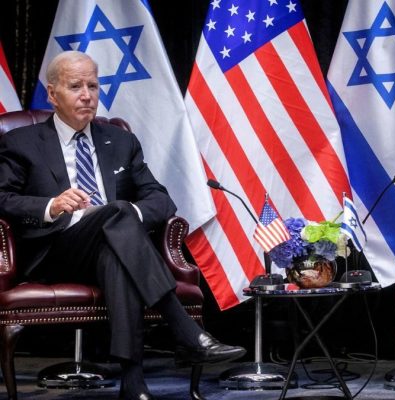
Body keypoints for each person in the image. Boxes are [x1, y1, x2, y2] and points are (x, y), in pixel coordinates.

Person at [0, 51, 246, 400]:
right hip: (54, 251)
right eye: (75, 86)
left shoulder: (120, 141)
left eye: (93, 86)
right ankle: (184, 331)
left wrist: (128, 215)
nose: (87, 95)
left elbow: (160, 199)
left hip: (114, 246)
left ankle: (133, 383)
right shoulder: (21, 142)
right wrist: (50, 206)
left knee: (115, 243)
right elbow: (3, 198)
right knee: (117, 216)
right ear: (53, 94)